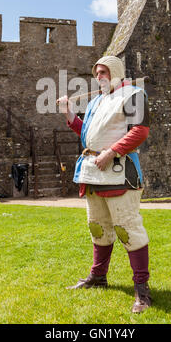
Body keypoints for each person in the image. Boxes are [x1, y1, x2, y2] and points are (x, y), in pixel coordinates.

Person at [57, 56, 151, 313]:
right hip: (92, 173)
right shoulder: (97, 100)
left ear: (116, 72)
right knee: (97, 227)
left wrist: (110, 152)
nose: (99, 77)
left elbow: (140, 131)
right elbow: (88, 134)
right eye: (96, 73)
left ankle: (142, 291)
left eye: (103, 72)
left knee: (127, 229)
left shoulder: (134, 94)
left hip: (120, 173)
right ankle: (98, 277)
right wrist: (68, 113)